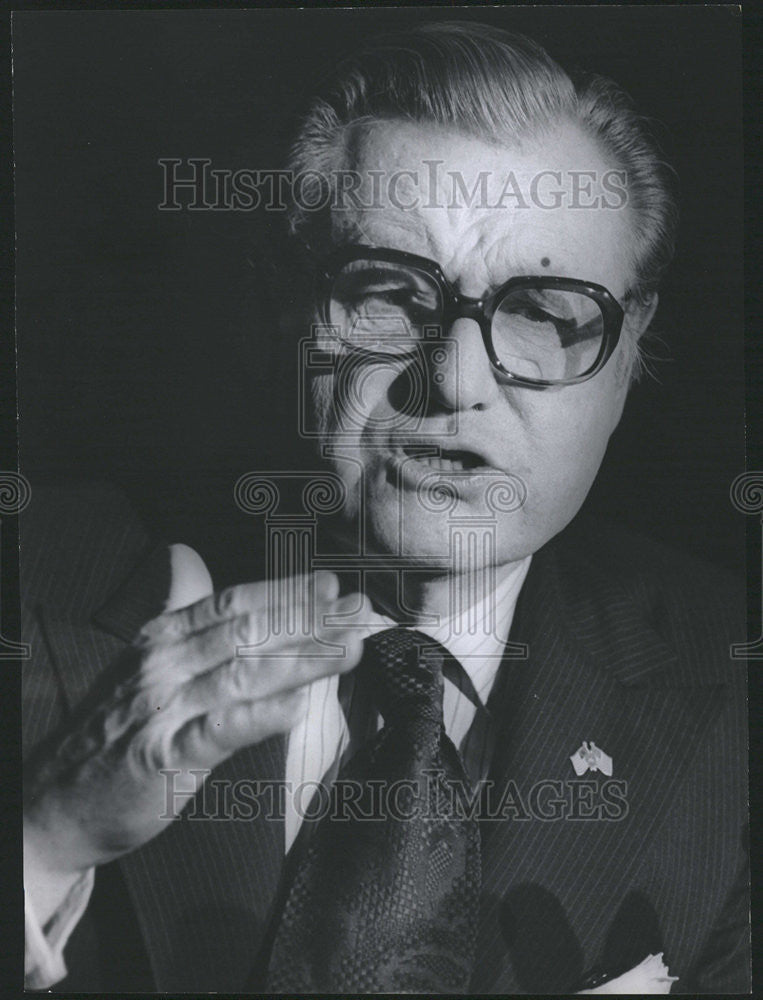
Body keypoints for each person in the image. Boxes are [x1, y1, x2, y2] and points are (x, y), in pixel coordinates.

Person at [22, 21, 748, 994]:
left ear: (626, 359)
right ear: (289, 304)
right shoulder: (35, 581)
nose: (454, 381)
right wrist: (44, 840)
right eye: (391, 296)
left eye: (542, 311)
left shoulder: (732, 698)